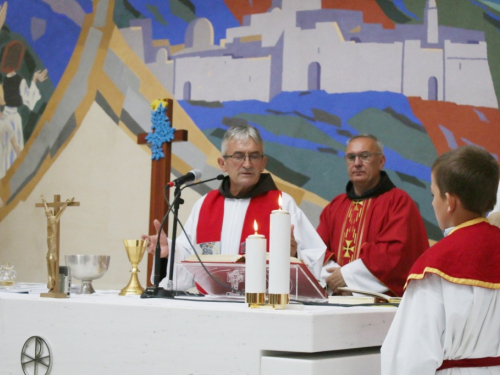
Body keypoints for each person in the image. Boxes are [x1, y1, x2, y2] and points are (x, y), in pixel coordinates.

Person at [142, 124, 326, 291]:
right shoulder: (205, 204)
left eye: (254, 156)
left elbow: (315, 257)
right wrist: (169, 251)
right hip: (211, 308)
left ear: (263, 163)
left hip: (264, 308)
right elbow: (190, 258)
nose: (247, 164)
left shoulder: (282, 204)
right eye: (238, 156)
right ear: (223, 164)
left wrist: (293, 255)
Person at [381, 145, 500, 374]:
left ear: (449, 201)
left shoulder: (437, 264)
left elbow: (408, 356)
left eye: (433, 195)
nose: (433, 203)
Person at [317, 134, 428, 297]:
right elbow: (317, 248)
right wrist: (333, 278)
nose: (357, 163)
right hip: (336, 300)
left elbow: (396, 254)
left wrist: (347, 277)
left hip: (380, 305)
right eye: (351, 157)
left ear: (381, 161)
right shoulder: (335, 206)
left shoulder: (398, 201)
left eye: (364, 156)